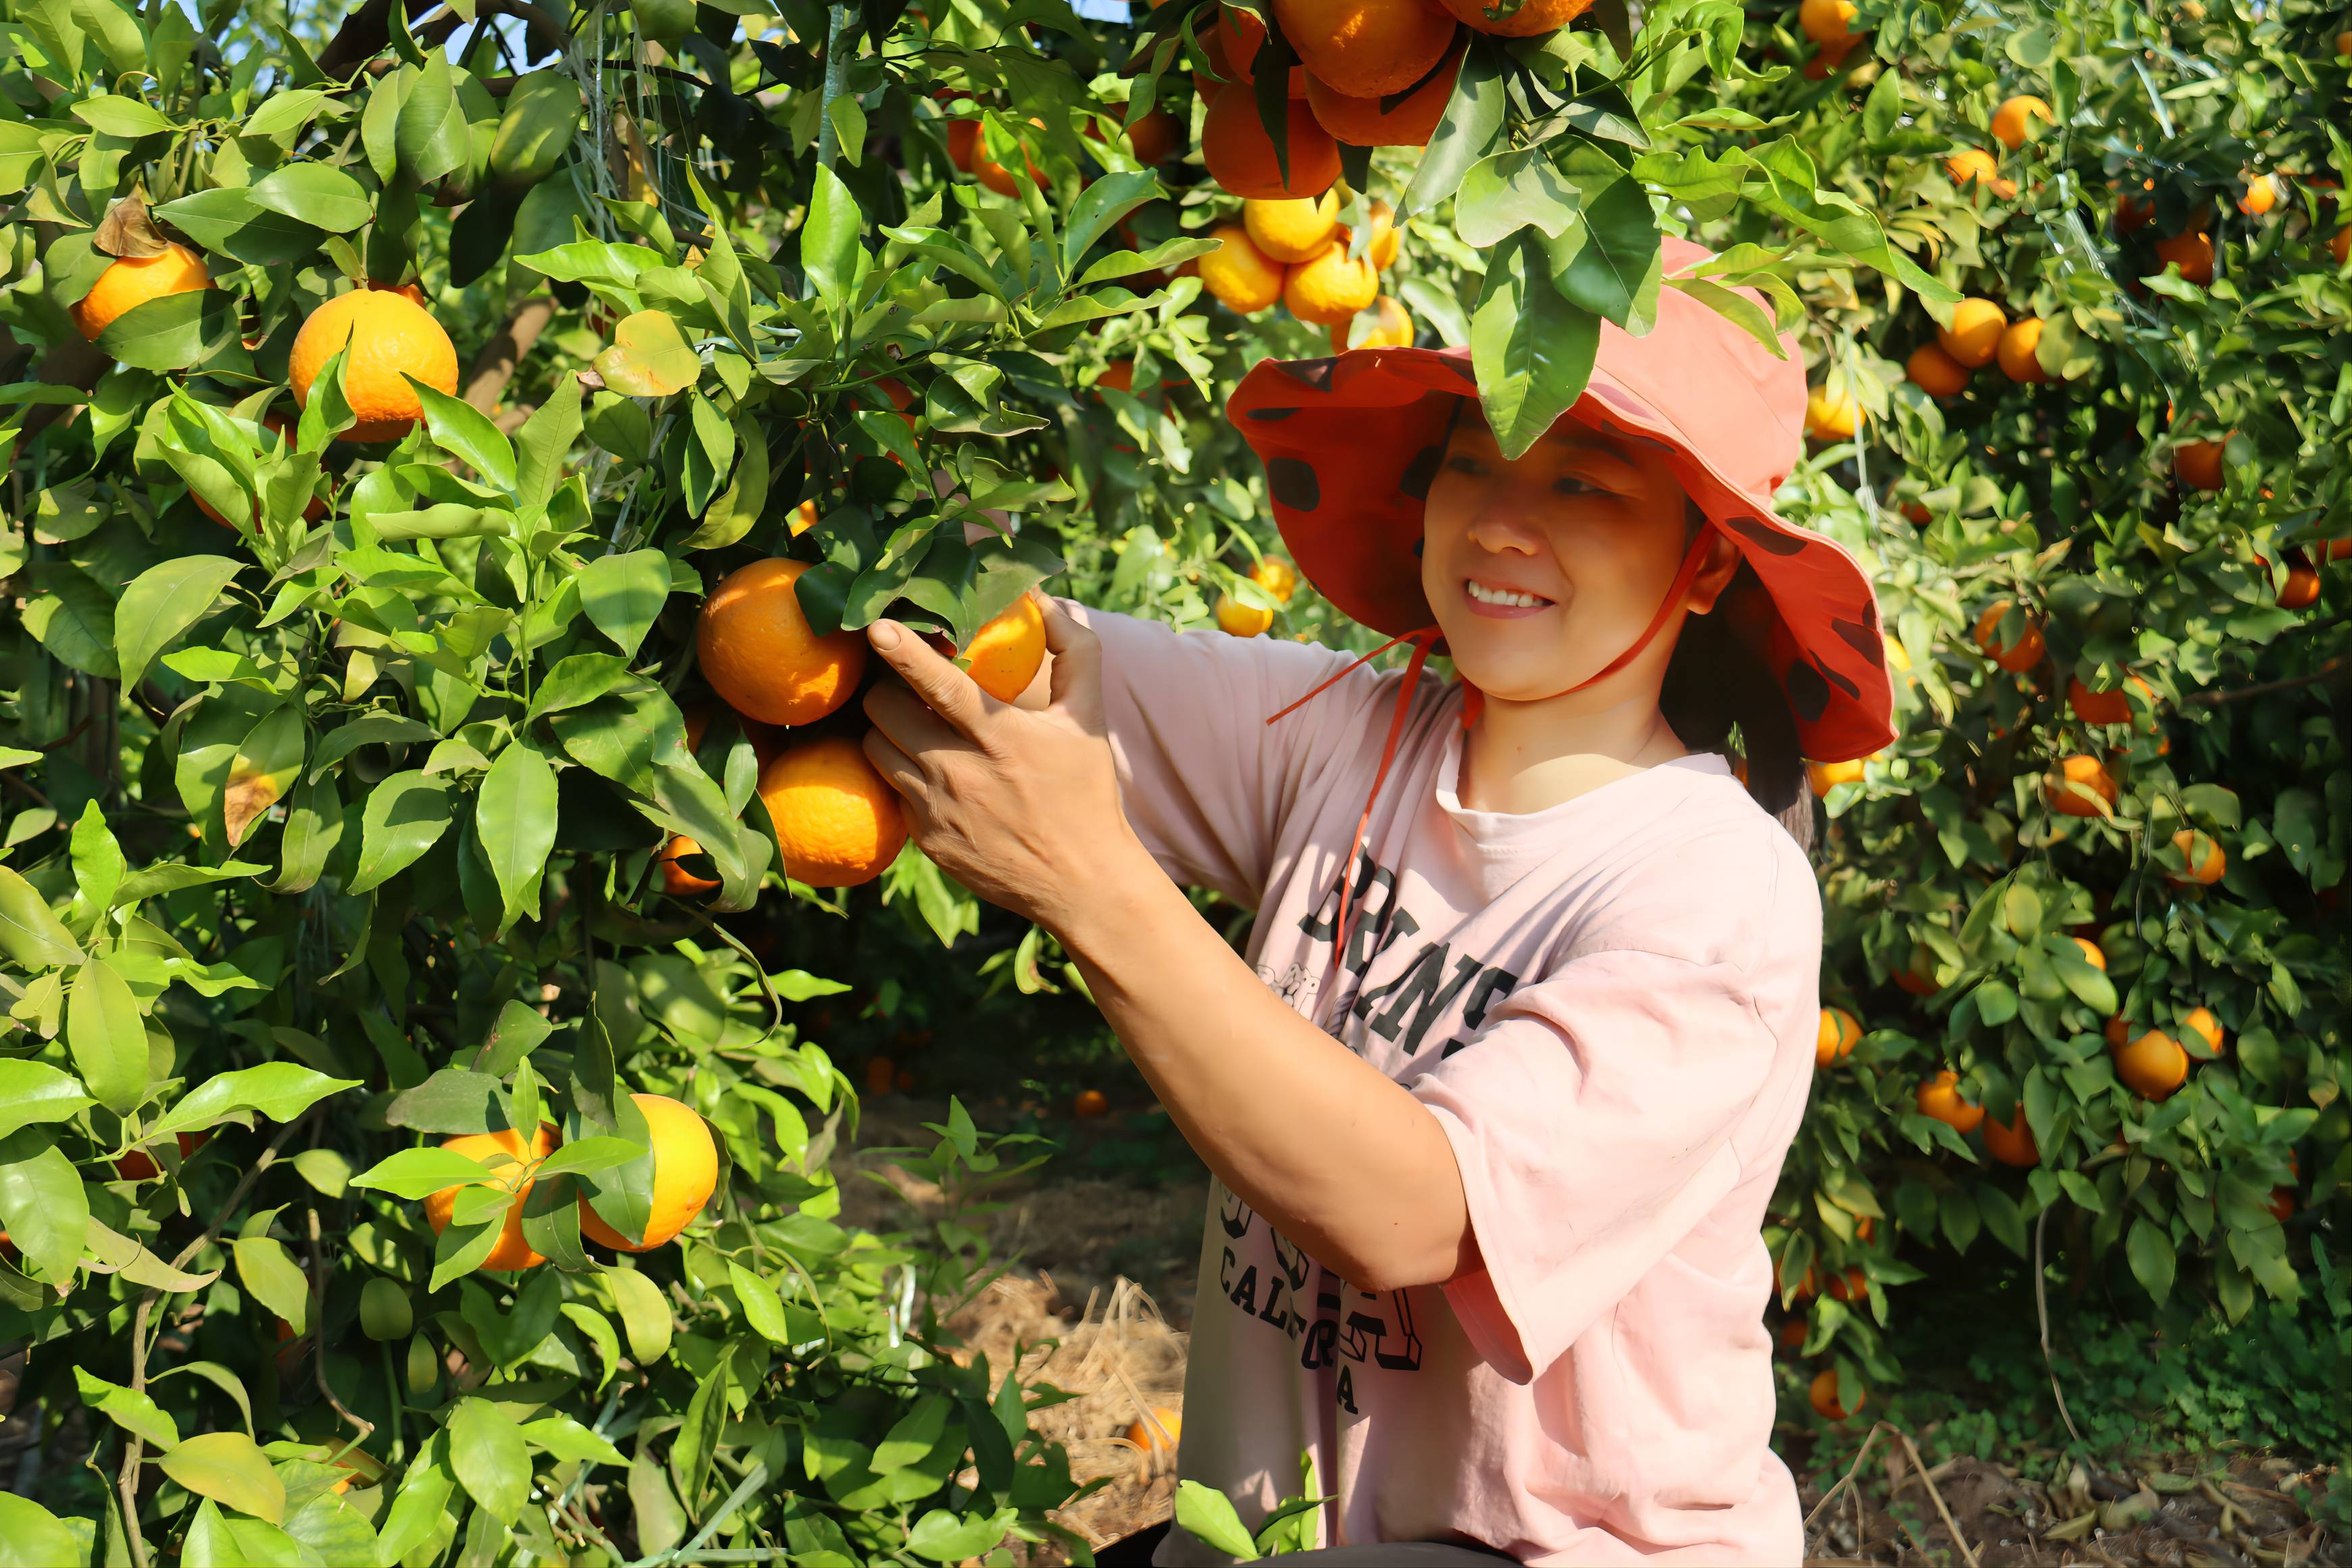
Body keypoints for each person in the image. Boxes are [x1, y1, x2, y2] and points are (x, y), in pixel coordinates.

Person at [854, 237, 1896, 1565]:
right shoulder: (1345, 730)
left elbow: (1410, 1211)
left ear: (1702, 564)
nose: (1503, 522)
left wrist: (1088, 883)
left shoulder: (1716, 892)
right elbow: (1017, 663)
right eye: (1477, 458)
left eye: (1584, 480)